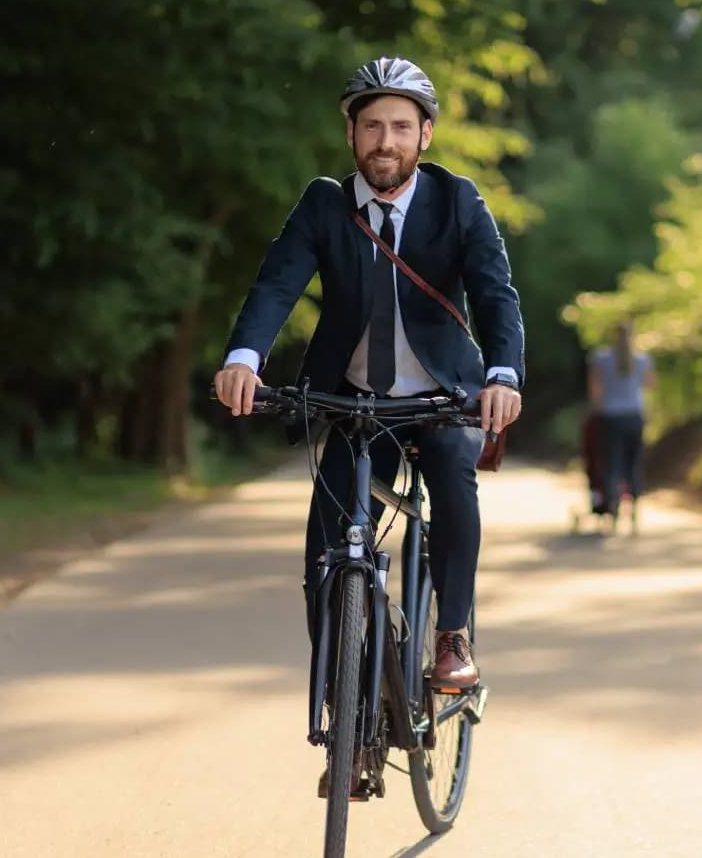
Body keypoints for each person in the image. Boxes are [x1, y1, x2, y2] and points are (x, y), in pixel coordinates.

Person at [213, 57, 525, 697]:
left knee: (453, 483)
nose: (387, 142)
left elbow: (495, 293)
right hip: (356, 403)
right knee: (324, 549)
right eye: (373, 126)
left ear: (425, 135)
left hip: (442, 400)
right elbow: (277, 284)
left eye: (402, 127)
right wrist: (244, 358)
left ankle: (452, 637)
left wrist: (503, 374)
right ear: (351, 133)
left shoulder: (457, 200)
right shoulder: (324, 204)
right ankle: (345, 690)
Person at [587, 320, 655, 523]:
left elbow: (595, 391)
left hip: (611, 417)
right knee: (633, 461)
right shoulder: (642, 359)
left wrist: (596, 409)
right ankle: (634, 503)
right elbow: (650, 385)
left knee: (612, 462)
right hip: (634, 415)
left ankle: (613, 501)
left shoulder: (601, 358)